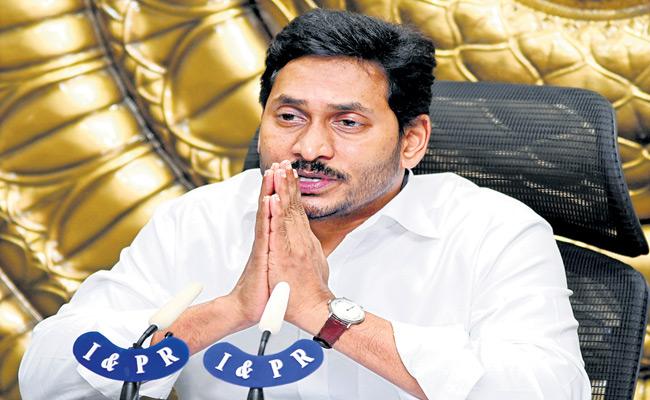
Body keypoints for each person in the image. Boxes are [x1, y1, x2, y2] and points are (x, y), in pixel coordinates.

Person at [19, 9, 591, 400]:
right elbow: (45, 377)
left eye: (347, 122)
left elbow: (546, 390)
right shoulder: (199, 219)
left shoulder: (494, 231)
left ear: (412, 141)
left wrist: (325, 313)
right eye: (289, 117)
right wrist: (226, 312)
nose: (310, 148)